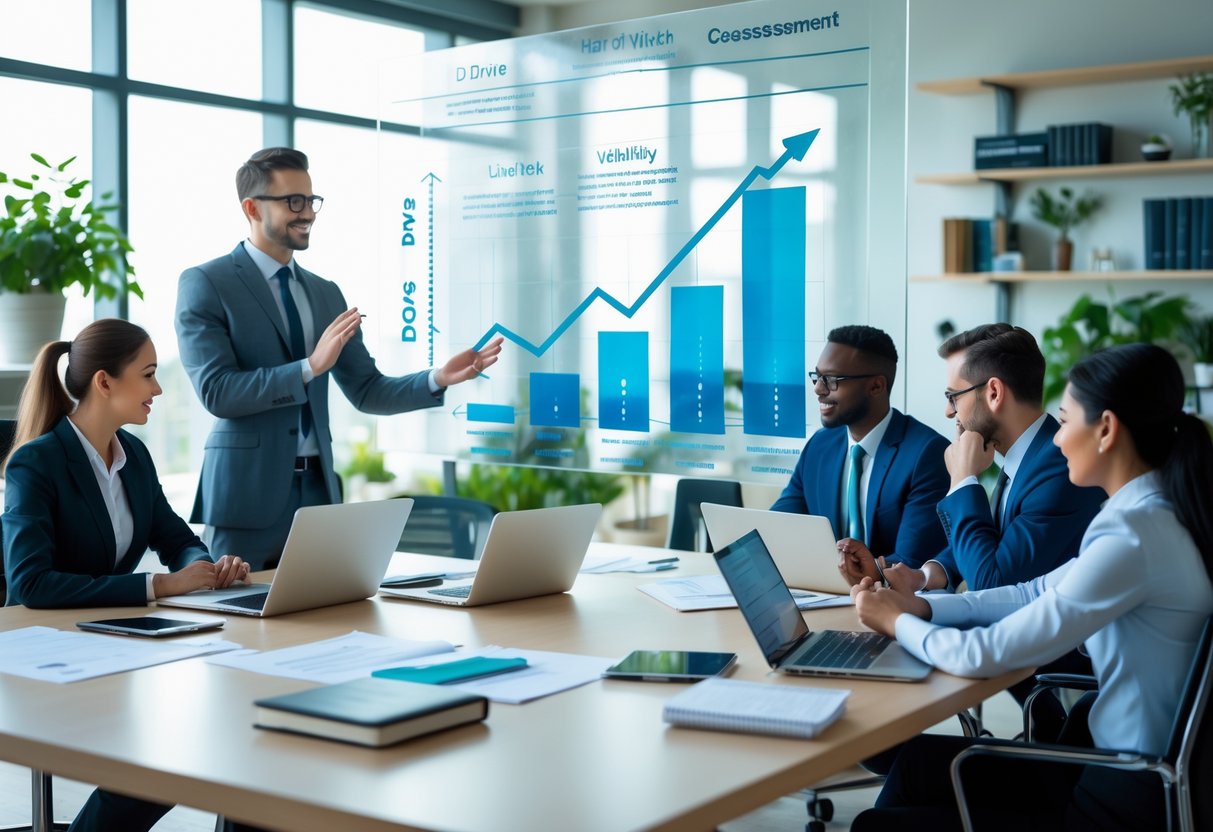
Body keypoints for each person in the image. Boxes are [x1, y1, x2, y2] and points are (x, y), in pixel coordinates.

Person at [850, 343, 1213, 832]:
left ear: (1105, 429)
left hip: (1116, 798)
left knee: (878, 825)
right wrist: (922, 608)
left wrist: (895, 622)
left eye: (1064, 421)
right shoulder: (1154, 512)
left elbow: (982, 654)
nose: (1058, 438)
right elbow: (1030, 591)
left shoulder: (1133, 535)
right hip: (1111, 766)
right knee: (916, 762)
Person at [176, 147, 503, 569]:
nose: (307, 212)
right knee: (241, 625)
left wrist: (437, 378)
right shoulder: (207, 283)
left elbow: (368, 391)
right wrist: (309, 367)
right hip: (246, 499)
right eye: (294, 201)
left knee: (324, 623)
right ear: (252, 208)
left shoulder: (325, 292)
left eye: (312, 201)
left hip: (318, 494)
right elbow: (218, 392)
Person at [1, 319, 252, 831]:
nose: (159, 389)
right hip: (44, 656)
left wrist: (203, 570)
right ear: (105, 382)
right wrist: (159, 585)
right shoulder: (37, 463)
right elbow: (30, 584)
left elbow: (175, 537)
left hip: (112, 643)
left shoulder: (133, 456)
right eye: (149, 374)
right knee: (175, 749)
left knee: (226, 727)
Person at [772, 325, 949, 569]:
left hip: (890, 600)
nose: (818, 389)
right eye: (817, 376)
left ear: (876, 386)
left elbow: (911, 562)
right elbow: (778, 525)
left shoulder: (927, 454)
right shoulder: (820, 446)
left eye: (832, 380)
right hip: (823, 595)